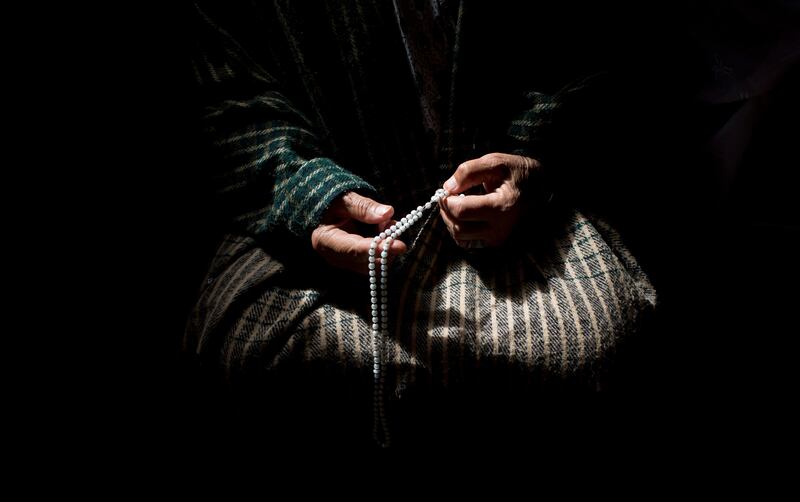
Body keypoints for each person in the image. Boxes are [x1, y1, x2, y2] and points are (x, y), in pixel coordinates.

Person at [184, 1, 656, 445]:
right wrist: (305, 189)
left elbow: (597, 51)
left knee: (593, 346)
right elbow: (226, 93)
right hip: (298, 220)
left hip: (526, 210)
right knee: (265, 353)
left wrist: (536, 156)